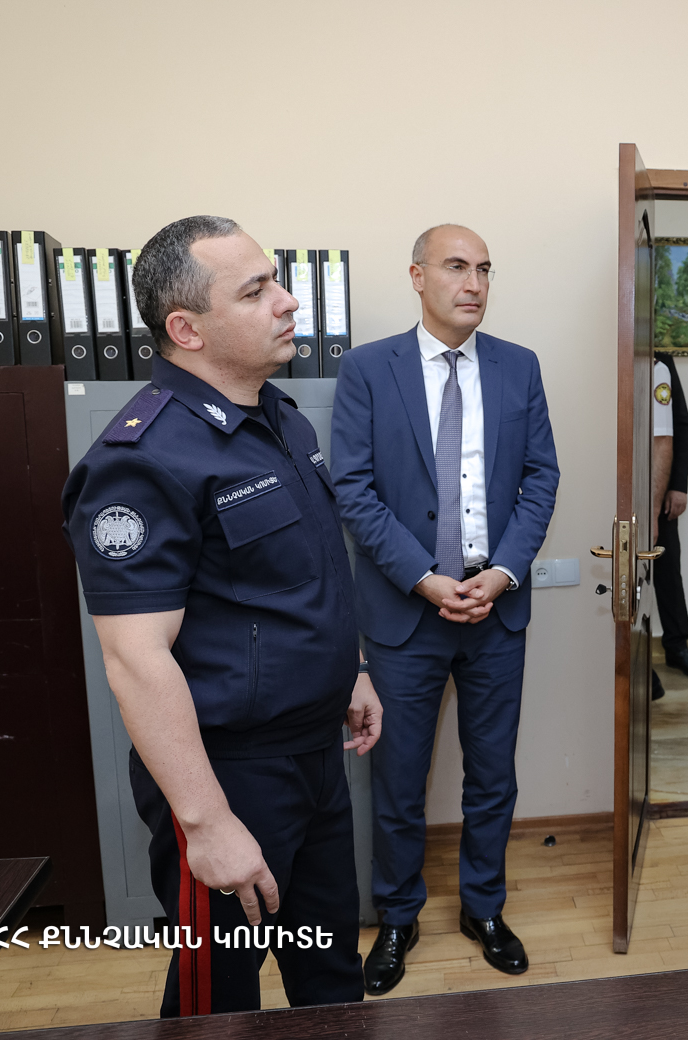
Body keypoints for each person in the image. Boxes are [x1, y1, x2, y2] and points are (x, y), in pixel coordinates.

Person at [61, 215, 381, 1016]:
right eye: (256, 290)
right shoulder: (141, 459)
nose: (288, 300)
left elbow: (301, 576)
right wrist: (206, 824)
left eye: (277, 280)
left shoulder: (282, 418)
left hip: (316, 757)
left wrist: (351, 670)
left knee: (332, 976)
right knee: (219, 999)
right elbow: (136, 659)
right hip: (228, 774)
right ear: (187, 330)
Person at [330, 224, 560, 995]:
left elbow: (541, 478)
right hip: (405, 615)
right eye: (457, 267)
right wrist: (425, 580)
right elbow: (353, 491)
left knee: (493, 776)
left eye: (485, 269)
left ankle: (483, 909)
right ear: (417, 276)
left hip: (495, 612)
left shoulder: (519, 366)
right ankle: (398, 917)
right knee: (399, 781)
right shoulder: (368, 369)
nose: (474, 283)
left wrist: (504, 573)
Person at [651, 351, 688, 700]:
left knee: (668, 569)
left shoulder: (661, 363)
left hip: (660, 487)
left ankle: (677, 645)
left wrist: (678, 486)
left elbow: (678, 426)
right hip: (621, 486)